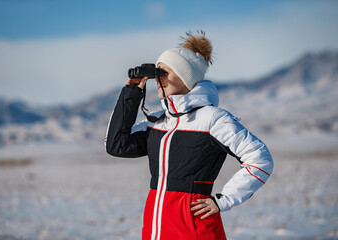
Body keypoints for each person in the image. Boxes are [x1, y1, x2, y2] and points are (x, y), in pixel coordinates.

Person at [105, 31, 274, 240]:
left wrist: (223, 200)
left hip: (193, 229)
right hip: (156, 228)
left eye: (164, 72)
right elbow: (116, 145)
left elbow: (260, 159)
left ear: (186, 77)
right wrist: (131, 91)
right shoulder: (160, 122)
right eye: (156, 73)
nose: (158, 79)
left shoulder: (212, 119)